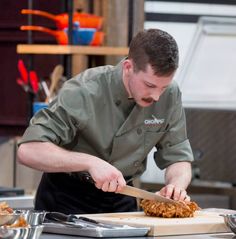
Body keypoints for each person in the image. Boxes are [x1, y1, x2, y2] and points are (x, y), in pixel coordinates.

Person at [17, 29, 194, 214]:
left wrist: (176, 186)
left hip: (123, 198)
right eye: (149, 85)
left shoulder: (171, 94)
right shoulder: (84, 91)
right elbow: (29, 150)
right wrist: (90, 162)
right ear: (128, 67)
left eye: (163, 87)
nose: (156, 96)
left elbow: (178, 156)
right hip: (67, 200)